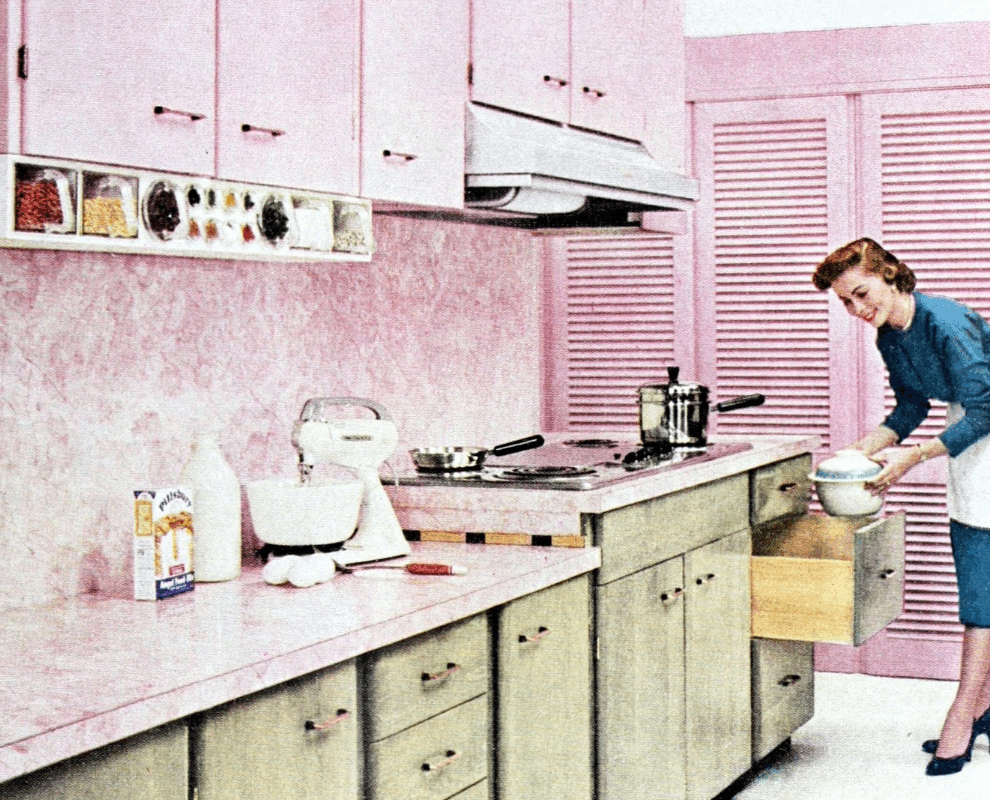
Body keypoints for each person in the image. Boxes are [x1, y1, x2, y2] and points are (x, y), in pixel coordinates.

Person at [812, 237, 990, 777]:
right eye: (846, 302)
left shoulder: (945, 320)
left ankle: (962, 713)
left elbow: (985, 406)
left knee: (983, 587)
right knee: (980, 579)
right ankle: (983, 705)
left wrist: (908, 461)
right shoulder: (890, 336)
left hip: (981, 429)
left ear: (890, 275)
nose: (858, 310)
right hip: (971, 447)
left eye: (863, 293)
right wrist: (863, 450)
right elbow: (912, 404)